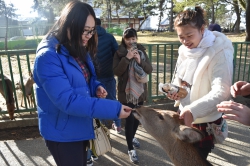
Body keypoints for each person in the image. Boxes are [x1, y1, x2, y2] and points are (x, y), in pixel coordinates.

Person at [33, 1, 132, 166]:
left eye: (92, 31)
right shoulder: (48, 57)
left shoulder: (76, 47)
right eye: (85, 30)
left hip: (80, 125)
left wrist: (96, 87)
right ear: (69, 25)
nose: (89, 35)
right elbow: (68, 101)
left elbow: (86, 79)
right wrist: (114, 109)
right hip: (62, 133)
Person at [166, 6, 234, 160]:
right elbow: (180, 79)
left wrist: (192, 110)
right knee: (184, 158)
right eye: (180, 36)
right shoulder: (184, 50)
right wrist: (176, 91)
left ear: (202, 29)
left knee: (195, 160)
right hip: (186, 114)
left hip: (205, 120)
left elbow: (221, 91)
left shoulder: (220, 51)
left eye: (189, 35)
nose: (185, 41)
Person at [113, 28, 153, 164]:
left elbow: (150, 69)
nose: (131, 41)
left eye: (133, 38)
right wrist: (127, 58)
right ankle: (130, 148)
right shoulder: (119, 53)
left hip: (140, 92)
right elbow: (117, 72)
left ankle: (132, 137)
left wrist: (140, 60)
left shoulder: (141, 51)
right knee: (129, 120)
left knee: (137, 118)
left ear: (136, 38)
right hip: (127, 93)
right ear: (124, 40)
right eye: (128, 39)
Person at [95, 18, 122, 134]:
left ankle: (102, 128)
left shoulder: (89, 37)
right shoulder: (109, 37)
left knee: (98, 102)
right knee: (112, 100)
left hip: (94, 77)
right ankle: (118, 125)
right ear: (102, 25)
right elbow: (117, 53)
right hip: (109, 74)